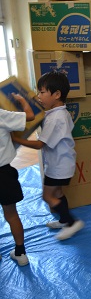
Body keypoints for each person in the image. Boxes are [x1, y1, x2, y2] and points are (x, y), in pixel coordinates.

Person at [12, 72, 84, 241]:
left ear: (57, 94)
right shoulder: (58, 113)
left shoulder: (56, 118)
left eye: (42, 92)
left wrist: (16, 139)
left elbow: (39, 144)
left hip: (59, 165)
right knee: (57, 193)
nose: (39, 96)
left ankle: (73, 223)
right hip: (61, 163)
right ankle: (65, 220)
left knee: (48, 196)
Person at [0, 93, 35, 265]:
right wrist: (22, 100)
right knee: (12, 214)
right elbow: (30, 116)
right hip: (4, 174)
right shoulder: (1, 115)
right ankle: (21, 253)